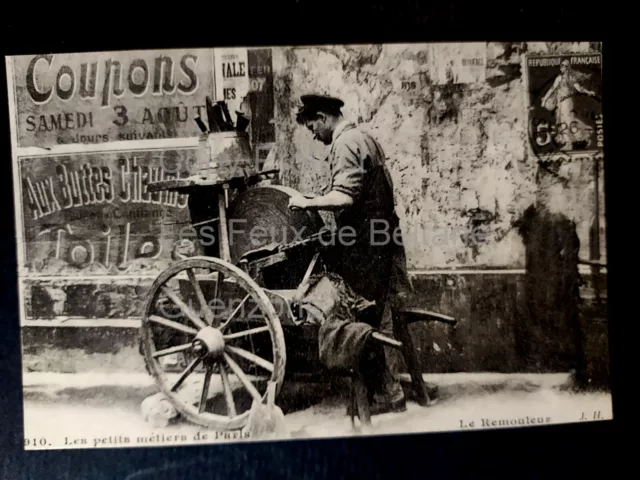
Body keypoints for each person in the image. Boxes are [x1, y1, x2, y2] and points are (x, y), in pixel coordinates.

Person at [288, 94, 414, 414]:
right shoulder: (366, 137)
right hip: (381, 240)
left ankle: (387, 392)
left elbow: (345, 198)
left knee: (363, 316)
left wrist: (307, 202)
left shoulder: (345, 144)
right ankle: (391, 388)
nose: (313, 134)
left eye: (312, 125)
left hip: (367, 245)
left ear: (324, 117)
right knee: (380, 315)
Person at [540, 59, 597, 150]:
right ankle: (580, 135)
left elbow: (579, 89)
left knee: (565, 120)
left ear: (567, 68)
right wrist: (544, 100)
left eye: (563, 66)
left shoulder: (571, 78)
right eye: (561, 66)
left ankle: (569, 143)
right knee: (564, 120)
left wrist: (588, 92)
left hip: (567, 102)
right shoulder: (559, 78)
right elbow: (552, 89)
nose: (561, 68)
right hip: (560, 102)